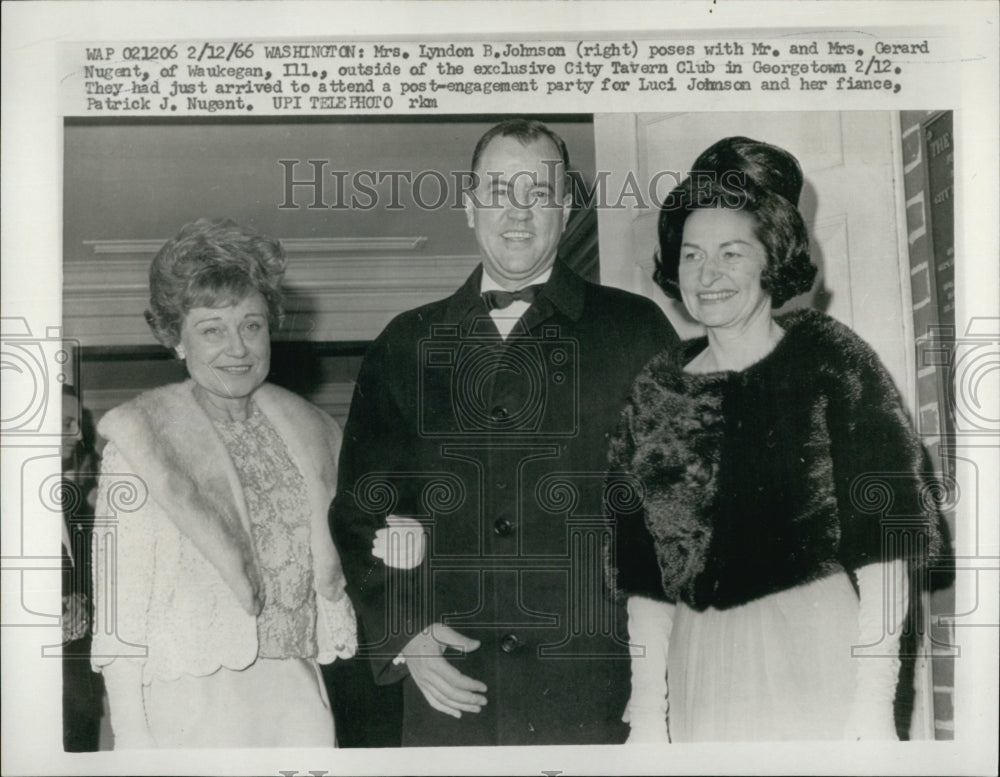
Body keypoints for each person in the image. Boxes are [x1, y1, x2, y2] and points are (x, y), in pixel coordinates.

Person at [330, 118, 679, 746]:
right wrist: (407, 635)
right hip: (450, 694)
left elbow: (671, 510)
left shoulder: (636, 331)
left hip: (596, 688)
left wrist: (656, 687)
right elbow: (362, 507)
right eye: (498, 190)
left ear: (567, 207)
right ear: (469, 207)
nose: (518, 212)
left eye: (539, 191)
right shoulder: (404, 344)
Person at [607, 136, 950, 742]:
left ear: (772, 259)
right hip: (699, 668)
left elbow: (888, 542)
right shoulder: (656, 391)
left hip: (817, 652)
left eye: (731, 252)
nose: (707, 275)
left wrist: (874, 702)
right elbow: (645, 577)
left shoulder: (829, 360)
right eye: (691, 255)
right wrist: (645, 714)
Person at [90, 218, 357, 748]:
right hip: (190, 701)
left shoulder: (315, 435)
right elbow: (120, 611)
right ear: (175, 339)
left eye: (251, 325)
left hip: (297, 690)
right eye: (212, 329)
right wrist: (133, 739)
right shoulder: (142, 443)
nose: (238, 348)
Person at [61, 384, 105, 751]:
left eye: (76, 423)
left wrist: (83, 604)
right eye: (65, 423)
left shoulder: (71, 507)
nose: (76, 434)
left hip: (76, 691)